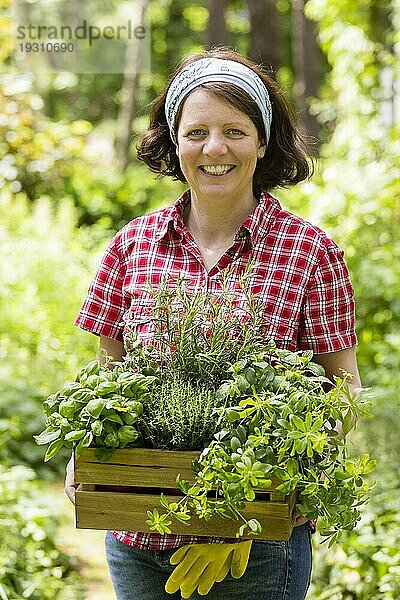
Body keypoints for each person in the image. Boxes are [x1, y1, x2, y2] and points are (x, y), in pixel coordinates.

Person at [65, 47, 361, 599]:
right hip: (139, 538)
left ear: (263, 143)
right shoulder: (134, 244)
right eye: (196, 131)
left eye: (235, 130)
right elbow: (109, 379)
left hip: (257, 549)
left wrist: (251, 505)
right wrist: (93, 454)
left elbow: (341, 389)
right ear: (174, 144)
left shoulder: (309, 250)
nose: (215, 148)